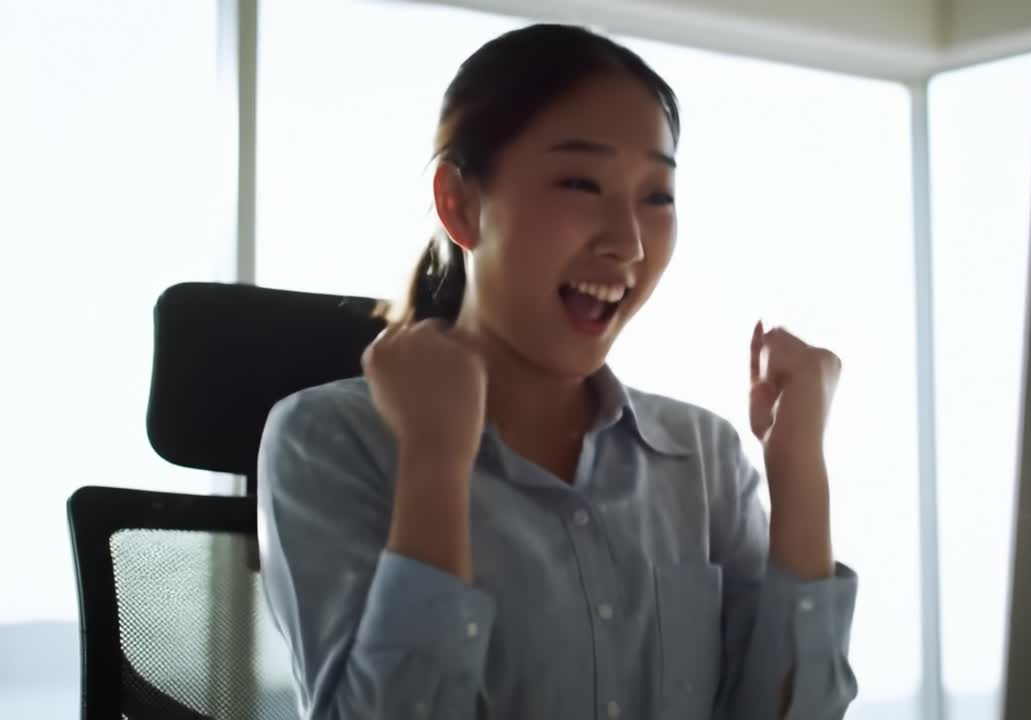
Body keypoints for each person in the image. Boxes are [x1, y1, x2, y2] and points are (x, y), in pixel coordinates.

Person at [257, 23, 858, 720]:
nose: (628, 243)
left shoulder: (705, 459)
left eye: (656, 197)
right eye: (580, 182)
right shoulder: (328, 438)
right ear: (460, 203)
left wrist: (799, 467)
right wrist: (434, 464)